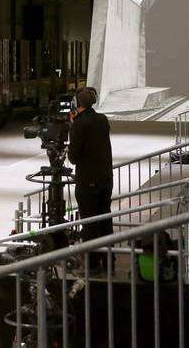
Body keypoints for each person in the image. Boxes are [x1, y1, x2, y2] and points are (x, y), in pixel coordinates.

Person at [67, 87, 113, 267]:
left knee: (90, 222)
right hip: (106, 178)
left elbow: (73, 158)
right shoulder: (103, 119)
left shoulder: (79, 124)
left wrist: (73, 127)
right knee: (105, 219)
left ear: (77, 103)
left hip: (88, 180)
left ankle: (92, 263)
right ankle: (109, 260)